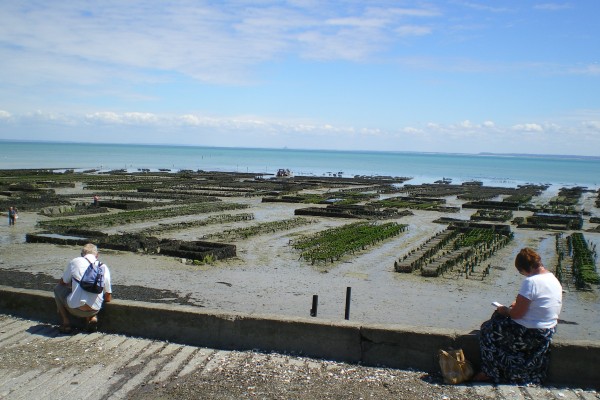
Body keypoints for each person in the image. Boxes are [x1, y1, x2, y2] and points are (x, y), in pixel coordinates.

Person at [475, 248, 563, 384]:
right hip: (548, 331)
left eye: (520, 271)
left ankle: (490, 371)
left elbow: (516, 315)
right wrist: (517, 305)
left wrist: (504, 310)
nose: (522, 274)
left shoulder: (531, 282)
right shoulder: (552, 278)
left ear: (524, 268)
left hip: (531, 333)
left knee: (487, 329)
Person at [54, 243, 112, 333]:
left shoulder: (75, 262)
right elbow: (108, 297)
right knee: (92, 294)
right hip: (95, 310)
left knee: (57, 289)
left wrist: (72, 285)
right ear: (97, 255)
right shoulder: (103, 267)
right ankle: (92, 318)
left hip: (75, 309)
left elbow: (62, 283)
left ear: (82, 255)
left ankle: (66, 323)